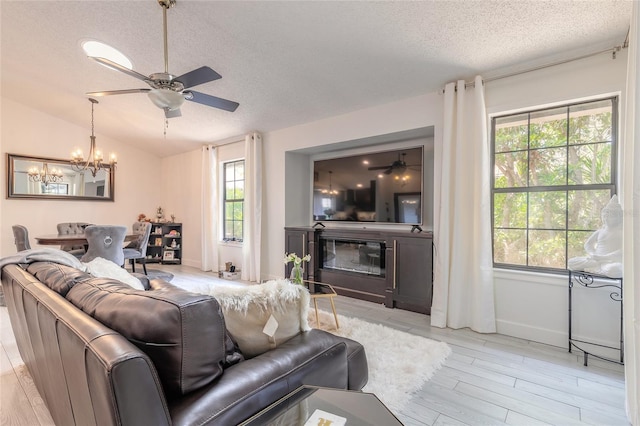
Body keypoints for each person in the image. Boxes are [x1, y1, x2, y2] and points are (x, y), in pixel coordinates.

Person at [568, 195, 623, 278]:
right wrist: (593, 254)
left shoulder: (621, 232)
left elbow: (623, 250)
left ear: (618, 218)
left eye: (610, 216)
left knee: (615, 270)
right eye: (604, 216)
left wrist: (604, 257)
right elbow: (588, 245)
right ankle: (596, 267)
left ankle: (596, 267)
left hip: (609, 261)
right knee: (571, 262)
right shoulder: (600, 231)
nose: (606, 219)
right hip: (595, 259)